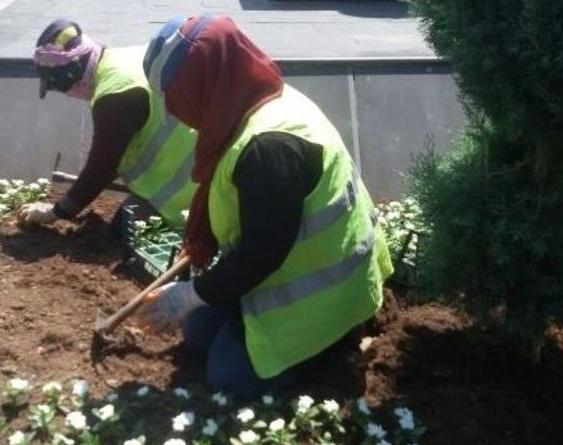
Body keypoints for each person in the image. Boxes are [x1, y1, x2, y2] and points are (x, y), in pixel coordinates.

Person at [138, 16, 394, 397]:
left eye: (175, 97)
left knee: (228, 376)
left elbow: (262, 253)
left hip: (325, 294)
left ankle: (331, 346)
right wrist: (200, 288)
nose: (172, 112)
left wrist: (192, 294)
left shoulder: (268, 149)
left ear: (201, 83)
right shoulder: (257, 100)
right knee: (197, 333)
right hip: (297, 267)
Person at [17, 19, 197, 228]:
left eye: (58, 88)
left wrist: (56, 211)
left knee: (123, 232)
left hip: (187, 192)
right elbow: (112, 155)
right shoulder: (123, 58)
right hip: (208, 158)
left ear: (70, 79)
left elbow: (101, 168)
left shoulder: (114, 97)